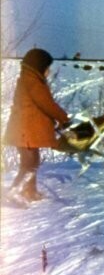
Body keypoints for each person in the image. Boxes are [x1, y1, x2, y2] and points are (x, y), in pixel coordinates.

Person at [4, 48, 71, 202]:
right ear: (39, 67)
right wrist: (63, 118)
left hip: (26, 130)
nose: (49, 71)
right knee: (30, 163)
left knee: (32, 161)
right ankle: (15, 192)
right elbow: (47, 104)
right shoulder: (33, 82)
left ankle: (29, 191)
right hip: (25, 131)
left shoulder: (29, 79)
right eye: (47, 67)